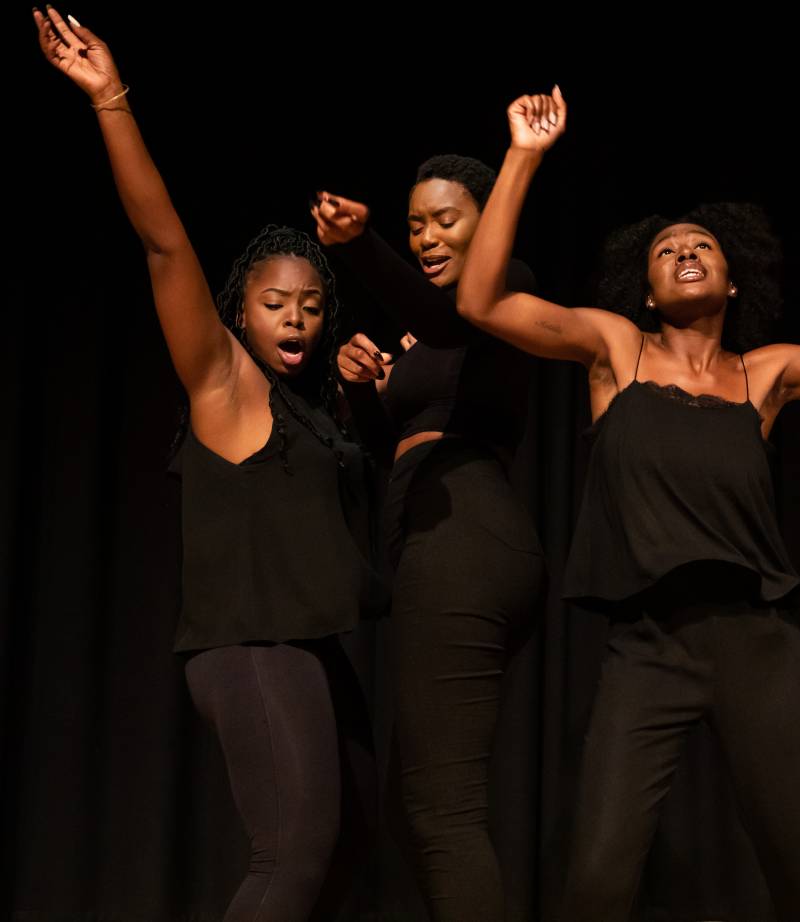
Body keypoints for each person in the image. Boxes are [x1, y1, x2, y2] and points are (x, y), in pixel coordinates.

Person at [457, 88, 800, 922]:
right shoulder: (616, 352)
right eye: (667, 248)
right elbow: (482, 302)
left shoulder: (767, 374)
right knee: (599, 875)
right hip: (647, 647)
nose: (684, 251)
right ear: (643, 288)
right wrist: (524, 156)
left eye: (702, 245)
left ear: (731, 279)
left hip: (760, 644)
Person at [35, 9, 377, 920]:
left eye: (310, 305)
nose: (296, 320)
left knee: (354, 845)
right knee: (290, 854)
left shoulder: (318, 410)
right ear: (243, 310)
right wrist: (111, 98)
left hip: (306, 648)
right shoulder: (222, 378)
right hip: (250, 646)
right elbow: (163, 245)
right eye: (275, 303)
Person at [311, 157, 545, 922]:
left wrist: (360, 245)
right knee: (417, 807)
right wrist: (358, 387)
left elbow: (453, 318)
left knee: (443, 810)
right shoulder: (425, 328)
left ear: (486, 220)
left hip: (465, 532)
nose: (427, 237)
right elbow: (390, 449)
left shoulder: (504, 285)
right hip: (431, 532)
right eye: (415, 225)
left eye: (446, 220)